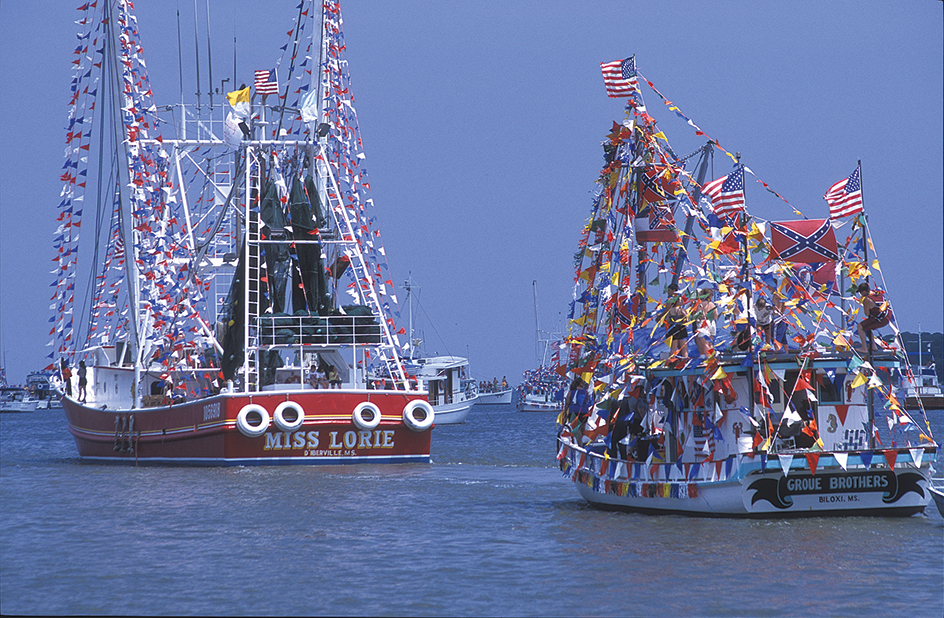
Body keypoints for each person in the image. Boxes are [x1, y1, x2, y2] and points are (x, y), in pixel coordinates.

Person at [855, 282, 890, 351]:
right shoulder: (878, 293)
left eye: (861, 292)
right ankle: (873, 346)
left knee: (860, 326)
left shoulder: (867, 300)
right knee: (867, 326)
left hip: (880, 319)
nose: (860, 295)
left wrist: (866, 306)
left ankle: (864, 348)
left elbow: (867, 314)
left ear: (864, 291)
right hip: (887, 316)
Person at [662, 284, 688, 358]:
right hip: (681, 327)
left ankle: (671, 361)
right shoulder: (682, 310)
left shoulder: (670, 309)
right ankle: (685, 360)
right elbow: (686, 318)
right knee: (684, 348)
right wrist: (684, 322)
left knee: (673, 347)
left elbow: (667, 319)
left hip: (673, 328)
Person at [692, 285, 718, 356]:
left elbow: (697, 316)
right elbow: (716, 316)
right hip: (712, 323)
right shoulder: (712, 304)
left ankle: (708, 359)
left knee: (705, 344)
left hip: (703, 324)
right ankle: (712, 358)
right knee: (710, 343)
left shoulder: (700, 304)